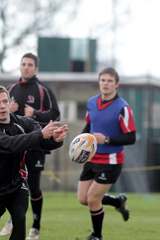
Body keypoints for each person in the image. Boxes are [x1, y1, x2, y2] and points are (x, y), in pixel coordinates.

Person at [0, 85, 67, 240]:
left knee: (20, 219)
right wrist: (41, 135)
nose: (3, 106)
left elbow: (42, 142)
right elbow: (12, 145)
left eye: (5, 101)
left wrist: (54, 139)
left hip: (17, 183)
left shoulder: (25, 123)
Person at [0, 52, 61, 239]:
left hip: (36, 145)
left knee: (33, 187)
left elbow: (56, 116)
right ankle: (13, 218)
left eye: (30, 65)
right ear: (20, 67)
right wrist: (6, 111)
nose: (26, 67)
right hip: (15, 145)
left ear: (36, 69)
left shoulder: (44, 91)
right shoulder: (10, 89)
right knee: (12, 185)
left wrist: (35, 114)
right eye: (23, 64)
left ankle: (36, 226)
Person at [77, 67, 136, 240]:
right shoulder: (91, 103)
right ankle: (118, 202)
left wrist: (107, 140)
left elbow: (131, 137)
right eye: (103, 80)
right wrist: (79, 143)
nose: (105, 84)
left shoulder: (123, 108)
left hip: (111, 161)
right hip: (91, 157)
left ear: (116, 84)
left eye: (110, 81)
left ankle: (97, 236)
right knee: (83, 199)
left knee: (93, 199)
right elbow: (89, 126)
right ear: (99, 82)